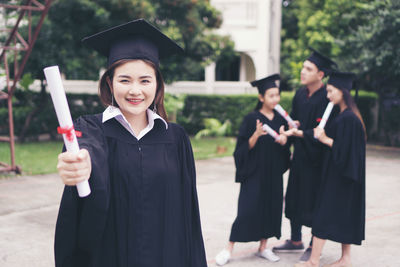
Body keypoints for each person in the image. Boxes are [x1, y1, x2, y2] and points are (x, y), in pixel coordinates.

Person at [54, 19, 207, 267]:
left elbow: (188, 214)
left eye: (145, 80)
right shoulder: (90, 130)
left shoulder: (176, 138)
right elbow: (83, 152)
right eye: (124, 80)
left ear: (157, 84)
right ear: (110, 83)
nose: (135, 90)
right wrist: (77, 164)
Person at [215, 74, 291, 266]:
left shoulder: (281, 118)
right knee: (247, 210)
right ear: (261, 97)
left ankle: (263, 247)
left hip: (273, 173)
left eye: (277, 95)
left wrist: (285, 139)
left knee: (271, 209)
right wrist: (256, 135)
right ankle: (228, 248)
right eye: (271, 95)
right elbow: (241, 149)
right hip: (255, 172)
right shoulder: (252, 119)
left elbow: (287, 144)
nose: (275, 99)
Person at [295, 71, 366, 267]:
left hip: (340, 177)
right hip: (340, 174)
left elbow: (348, 151)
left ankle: (313, 261)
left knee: (322, 216)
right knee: (342, 215)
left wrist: (325, 138)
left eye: (331, 91)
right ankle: (345, 259)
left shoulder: (349, 119)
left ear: (343, 92)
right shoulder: (344, 115)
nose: (328, 95)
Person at [273, 48, 338, 262]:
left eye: (308, 69)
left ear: (320, 75)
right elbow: (295, 119)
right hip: (300, 155)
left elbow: (325, 130)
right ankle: (295, 239)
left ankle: (313, 245)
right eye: (303, 67)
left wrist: (299, 132)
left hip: (317, 159)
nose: (303, 71)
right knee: (294, 197)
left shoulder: (327, 98)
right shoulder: (301, 94)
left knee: (314, 200)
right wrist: (289, 129)